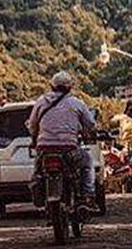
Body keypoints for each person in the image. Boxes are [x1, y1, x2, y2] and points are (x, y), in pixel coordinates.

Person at [27, 71, 97, 209]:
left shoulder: (41, 102)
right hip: (69, 149)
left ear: (51, 86)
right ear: (70, 87)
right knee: (87, 162)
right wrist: (87, 133)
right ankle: (87, 196)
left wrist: (35, 139)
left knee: (37, 172)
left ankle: (38, 193)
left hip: (45, 149)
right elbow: (90, 124)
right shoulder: (77, 103)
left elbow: (32, 125)